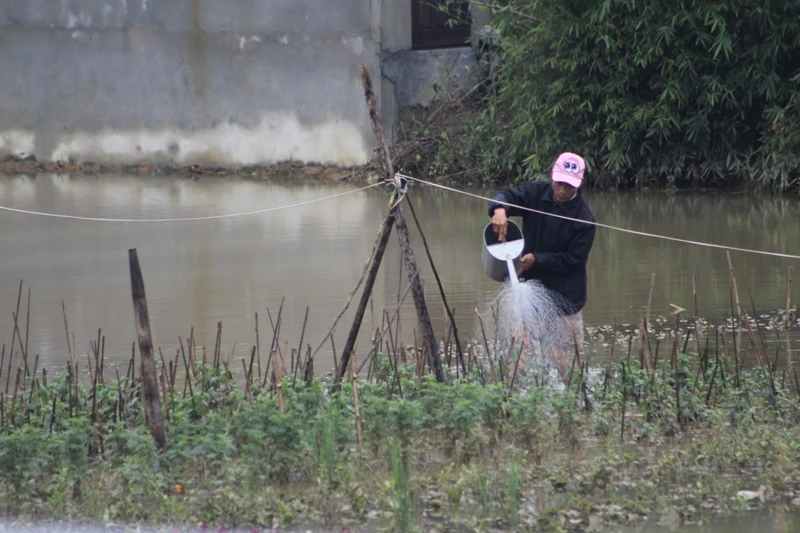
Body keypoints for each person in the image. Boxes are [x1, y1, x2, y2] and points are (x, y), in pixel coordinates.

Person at [488, 152, 596, 381]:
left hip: (565, 296)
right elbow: (507, 195)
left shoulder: (584, 218)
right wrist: (499, 209)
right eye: (559, 183)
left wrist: (538, 259)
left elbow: (573, 260)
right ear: (551, 176)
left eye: (569, 186)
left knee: (562, 357)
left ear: (579, 184)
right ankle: (511, 395)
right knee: (519, 347)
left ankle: (578, 396)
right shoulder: (536, 193)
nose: (562, 190)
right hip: (528, 290)